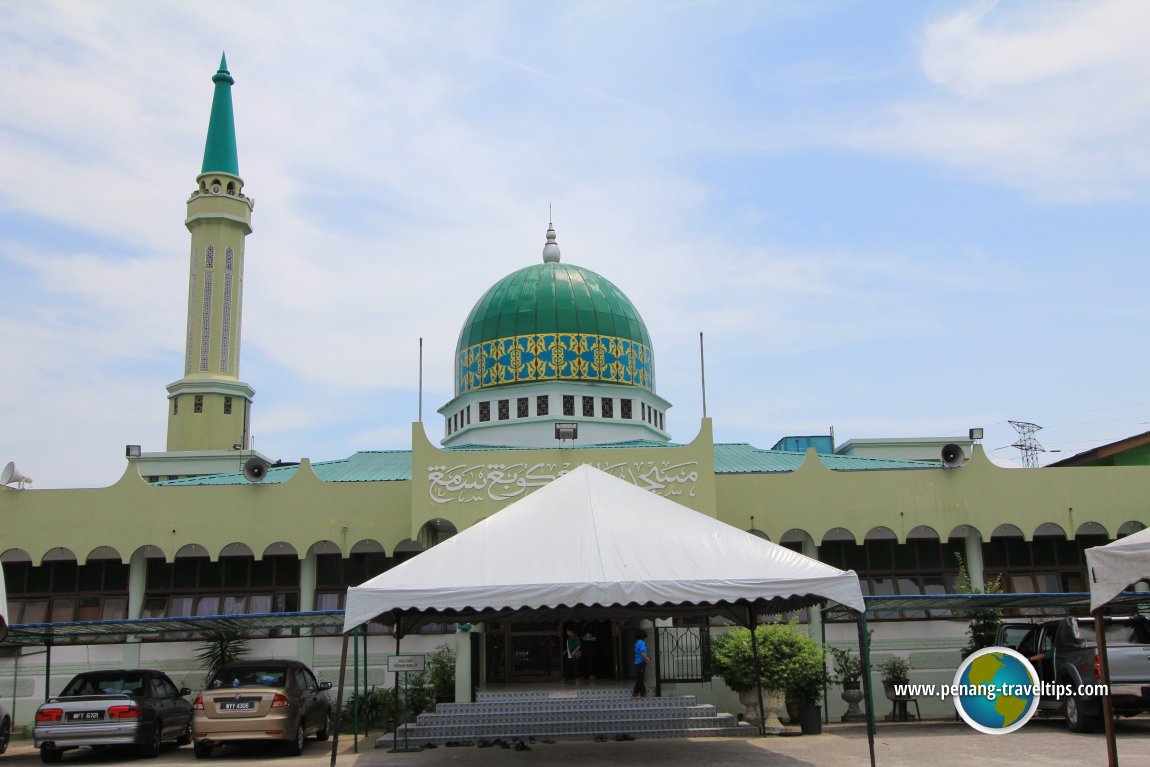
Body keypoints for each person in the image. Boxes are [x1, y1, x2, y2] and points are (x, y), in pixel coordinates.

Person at [633, 629, 650, 698]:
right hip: (641, 663)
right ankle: (635, 692)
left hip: (638, 663)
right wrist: (647, 659)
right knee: (640, 679)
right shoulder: (641, 642)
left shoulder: (637, 642)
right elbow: (642, 653)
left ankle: (643, 693)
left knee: (641, 678)